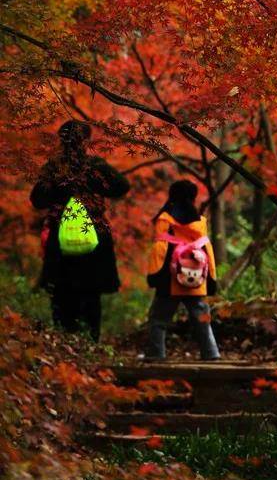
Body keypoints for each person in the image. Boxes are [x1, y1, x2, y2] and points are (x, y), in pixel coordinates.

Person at [30, 118, 130, 341]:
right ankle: (91, 342)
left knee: (61, 294)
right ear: (85, 140)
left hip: (61, 235)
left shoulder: (54, 168)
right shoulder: (96, 166)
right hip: (94, 233)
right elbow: (122, 186)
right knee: (91, 294)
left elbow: (37, 200)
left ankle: (65, 344)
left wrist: (60, 196)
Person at [146, 178, 220, 361]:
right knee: (203, 319)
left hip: (169, 283)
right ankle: (211, 353)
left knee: (158, 320)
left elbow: (160, 252)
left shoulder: (165, 220)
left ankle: (156, 355)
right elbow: (208, 252)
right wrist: (211, 281)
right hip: (196, 282)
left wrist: (154, 277)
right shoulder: (200, 223)